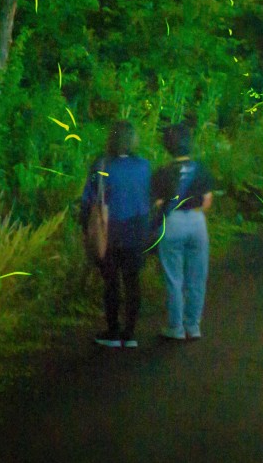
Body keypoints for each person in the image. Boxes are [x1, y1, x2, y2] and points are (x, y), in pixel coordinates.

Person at [79, 121, 151, 349]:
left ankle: (113, 330)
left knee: (111, 282)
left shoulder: (101, 165)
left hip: (110, 230)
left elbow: (88, 200)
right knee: (132, 281)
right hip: (137, 229)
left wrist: (85, 228)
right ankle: (130, 333)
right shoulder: (144, 166)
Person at [151, 122, 216, 341]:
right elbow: (207, 201)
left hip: (172, 223)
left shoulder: (162, 172)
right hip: (197, 223)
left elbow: (158, 204)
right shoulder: (201, 169)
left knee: (174, 278)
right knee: (197, 277)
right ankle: (193, 326)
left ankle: (176, 328)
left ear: (167, 146)